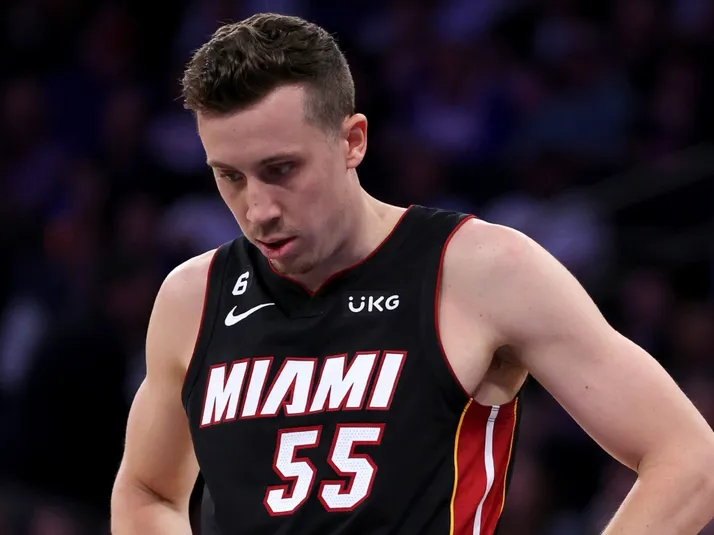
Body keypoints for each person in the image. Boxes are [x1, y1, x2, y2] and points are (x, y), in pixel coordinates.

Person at [110, 12, 714, 535]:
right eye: (230, 177)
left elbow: (690, 459)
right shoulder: (193, 297)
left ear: (352, 141)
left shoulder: (480, 271)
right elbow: (148, 491)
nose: (258, 209)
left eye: (281, 169)